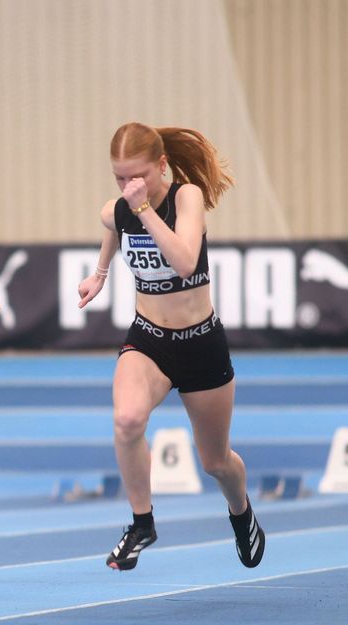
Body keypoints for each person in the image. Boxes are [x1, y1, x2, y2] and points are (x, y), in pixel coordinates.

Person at [77, 121, 265, 571]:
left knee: (216, 462)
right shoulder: (121, 207)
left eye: (138, 176)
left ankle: (241, 512)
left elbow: (184, 261)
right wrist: (99, 274)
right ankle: (142, 522)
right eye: (120, 177)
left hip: (201, 345)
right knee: (126, 420)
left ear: (162, 165)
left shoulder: (186, 198)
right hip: (149, 341)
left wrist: (143, 209)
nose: (129, 186)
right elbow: (111, 223)